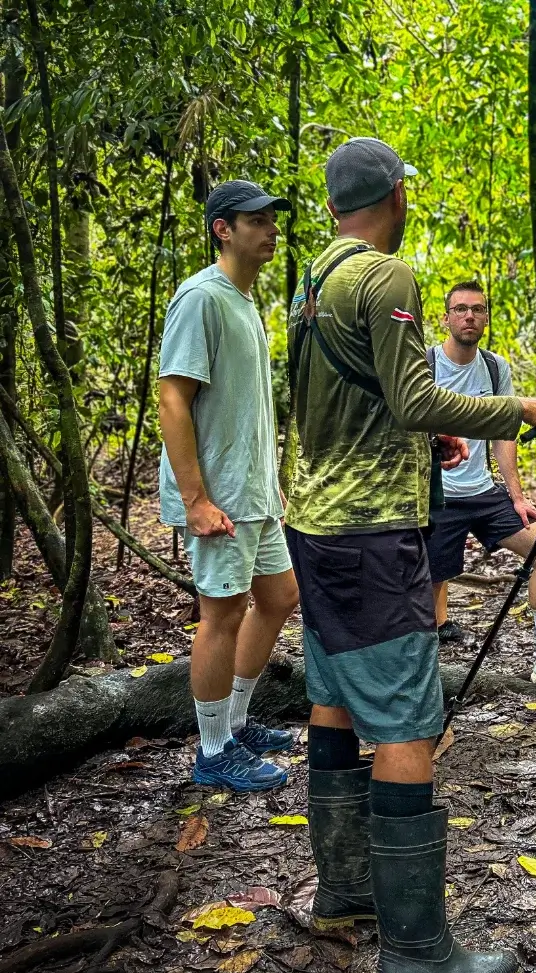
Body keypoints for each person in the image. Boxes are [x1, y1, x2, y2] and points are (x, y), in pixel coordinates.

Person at [285, 137, 536, 973]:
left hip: (316, 518)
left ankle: (345, 894)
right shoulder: (387, 277)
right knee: (410, 720)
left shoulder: (313, 282)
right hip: (373, 532)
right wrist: (519, 408)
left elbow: (335, 401)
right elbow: (415, 394)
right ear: (394, 195)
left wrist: (418, 436)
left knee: (336, 693)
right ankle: (417, 950)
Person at [158, 181, 299, 792]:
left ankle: (235, 723)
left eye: (272, 220)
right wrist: (196, 500)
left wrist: (272, 485)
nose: (270, 230)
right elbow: (172, 396)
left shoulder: (244, 302)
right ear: (223, 228)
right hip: (219, 498)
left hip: (255, 494)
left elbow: (243, 409)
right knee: (221, 613)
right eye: (256, 220)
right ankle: (212, 749)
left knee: (279, 597)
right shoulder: (201, 298)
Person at [425, 280, 536, 686]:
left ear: (486, 318)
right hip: (438, 495)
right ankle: (423, 674)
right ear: (446, 317)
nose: (469, 316)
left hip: (484, 492)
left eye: (477, 309)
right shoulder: (426, 364)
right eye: (460, 309)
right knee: (429, 581)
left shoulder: (494, 367)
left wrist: (516, 495)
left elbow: (504, 432)